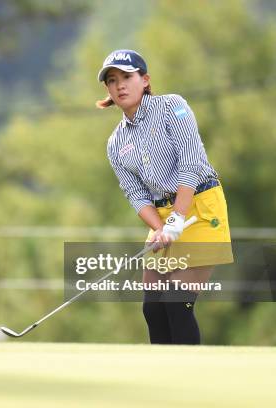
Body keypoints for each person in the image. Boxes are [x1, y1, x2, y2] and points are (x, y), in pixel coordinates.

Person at [97, 49, 233, 345]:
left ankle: (190, 379)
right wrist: (161, 228)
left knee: (176, 302)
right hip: (162, 216)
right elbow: (135, 194)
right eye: (112, 80)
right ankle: (162, 378)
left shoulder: (172, 106)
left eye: (127, 77)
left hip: (199, 207)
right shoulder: (115, 142)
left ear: (145, 80)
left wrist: (177, 219)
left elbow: (191, 163)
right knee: (153, 308)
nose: (119, 85)